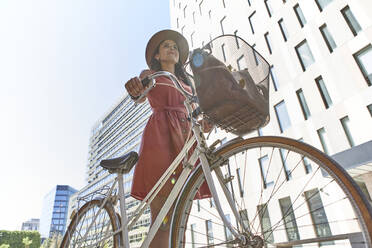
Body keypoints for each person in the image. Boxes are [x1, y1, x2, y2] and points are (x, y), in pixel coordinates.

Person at [125, 29, 212, 247]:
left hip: (187, 143)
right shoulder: (150, 75)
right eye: (166, 45)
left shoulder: (189, 84)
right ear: (156, 55)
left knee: (181, 218)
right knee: (164, 219)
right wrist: (135, 89)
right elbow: (139, 95)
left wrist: (205, 123)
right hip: (161, 140)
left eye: (174, 46)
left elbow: (196, 115)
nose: (172, 48)